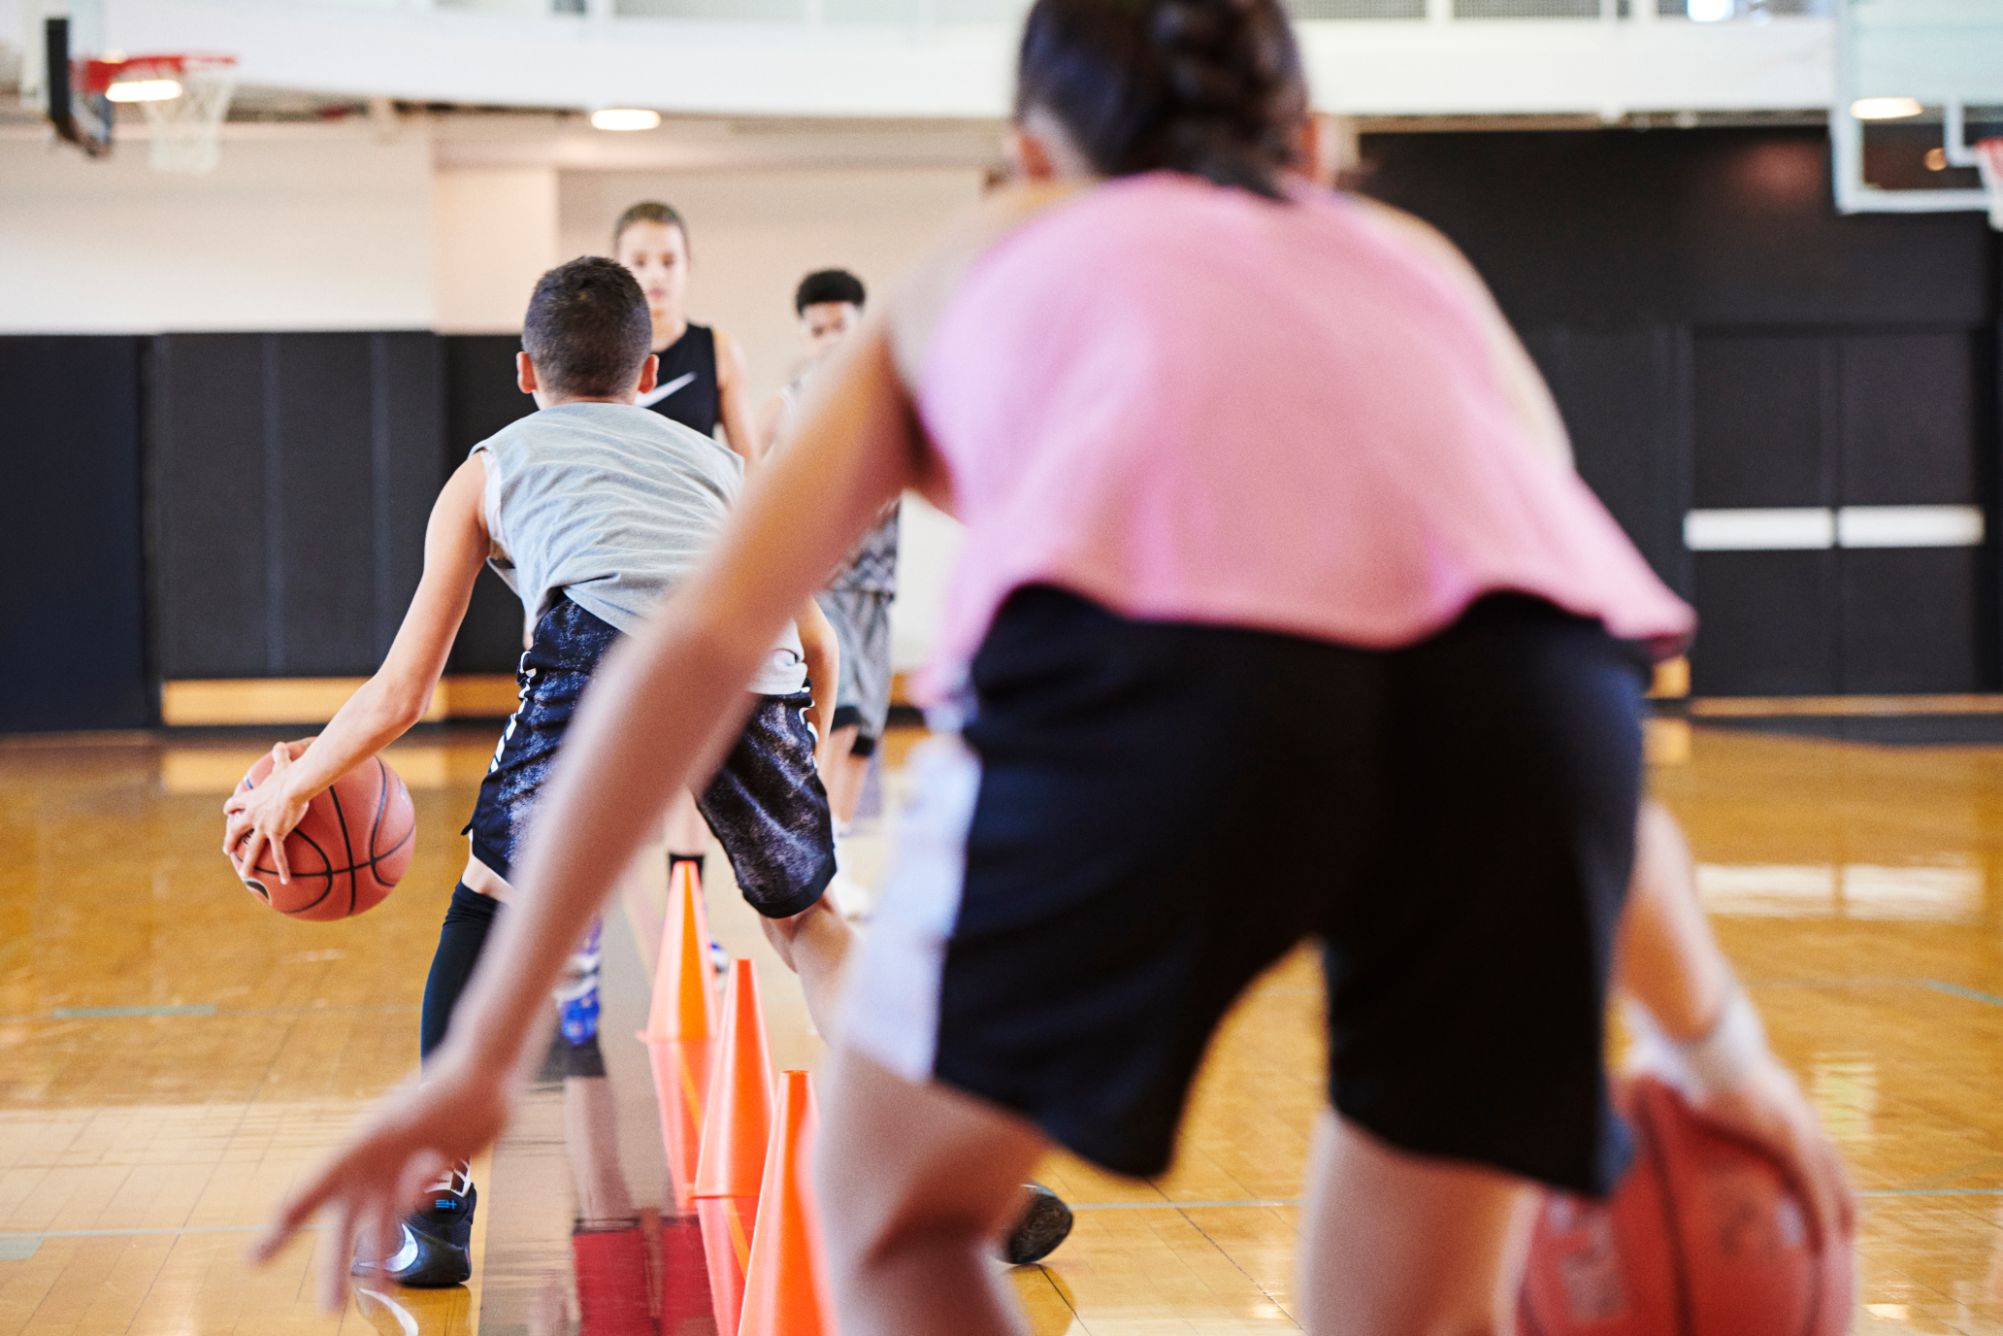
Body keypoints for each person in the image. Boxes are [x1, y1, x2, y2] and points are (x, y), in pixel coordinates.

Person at [253, 2, 1852, 1330]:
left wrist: (481, 1055)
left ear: (1028, 162)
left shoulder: (992, 255)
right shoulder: (1425, 277)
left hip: (1160, 692)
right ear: (1309, 150)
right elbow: (1518, 679)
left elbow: (701, 642)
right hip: (1536, 735)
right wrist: (1726, 1059)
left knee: (890, 1226)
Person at [226, 256, 853, 1289]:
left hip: (601, 645)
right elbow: (819, 650)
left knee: (490, 899)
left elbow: (401, 693)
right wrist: (797, 772)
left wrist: (296, 783)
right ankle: (936, 1139)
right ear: (647, 372)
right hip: (755, 663)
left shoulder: (492, 465)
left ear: (525, 371)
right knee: (808, 924)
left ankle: (433, 1210)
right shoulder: (726, 470)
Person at [613, 199, 761, 930]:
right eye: (639, 261)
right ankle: (571, 927)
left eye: (667, 260)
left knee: (692, 747)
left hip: (694, 571)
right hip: (611, 574)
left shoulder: (716, 349)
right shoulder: (601, 354)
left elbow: (751, 472)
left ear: (688, 267)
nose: (655, 275)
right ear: (618, 269)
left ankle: (686, 915)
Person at [760, 269, 899, 843]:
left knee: (867, 726)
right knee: (836, 713)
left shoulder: (888, 399)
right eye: (818, 330)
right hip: (817, 583)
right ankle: (813, 839)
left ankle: (835, 842)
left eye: (841, 327)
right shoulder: (786, 406)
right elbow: (751, 485)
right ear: (804, 335)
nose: (831, 340)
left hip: (876, 579)